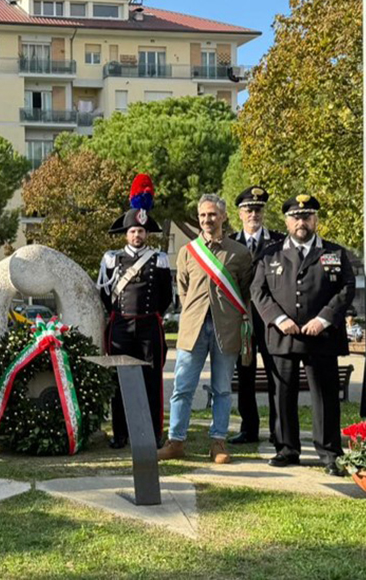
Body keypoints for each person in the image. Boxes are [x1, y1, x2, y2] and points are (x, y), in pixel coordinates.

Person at [250, 194, 356, 476]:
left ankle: (330, 452)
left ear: (316, 220)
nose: (301, 222)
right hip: (284, 335)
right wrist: (278, 319)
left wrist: (324, 318)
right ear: (286, 221)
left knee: (325, 396)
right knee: (282, 394)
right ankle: (287, 449)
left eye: (307, 216)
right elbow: (257, 291)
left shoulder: (334, 252)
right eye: (296, 217)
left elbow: (347, 287)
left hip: (322, 336)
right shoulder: (269, 254)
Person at [159, 194, 252, 463]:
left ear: (223, 217)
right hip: (193, 329)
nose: (207, 220)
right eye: (202, 215)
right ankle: (176, 441)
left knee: (222, 389)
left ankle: (218, 442)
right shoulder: (188, 252)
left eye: (212, 215)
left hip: (227, 329)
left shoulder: (240, 253)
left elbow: (245, 292)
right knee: (182, 387)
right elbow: (184, 291)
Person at [96, 174, 174, 450]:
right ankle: (121, 433)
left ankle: (153, 433)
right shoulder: (111, 258)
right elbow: (104, 295)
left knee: (153, 381)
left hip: (149, 327)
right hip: (120, 327)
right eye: (133, 231)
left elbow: (166, 296)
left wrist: (153, 315)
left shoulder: (159, 259)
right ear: (126, 233)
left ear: (146, 233)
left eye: (141, 231)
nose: (137, 235)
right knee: (119, 381)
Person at [228, 186, 286, 446]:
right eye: (249, 209)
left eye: (258, 209)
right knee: (246, 375)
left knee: (277, 376)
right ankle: (249, 428)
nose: (254, 213)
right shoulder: (230, 242)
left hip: (272, 319)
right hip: (243, 320)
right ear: (240, 213)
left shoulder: (280, 241)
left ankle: (278, 430)